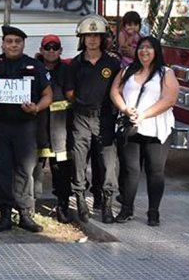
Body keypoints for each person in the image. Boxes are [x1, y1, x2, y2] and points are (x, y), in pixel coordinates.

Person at [0, 25, 52, 233]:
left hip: (24, 127)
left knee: (25, 170)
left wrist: (37, 107)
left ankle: (25, 214)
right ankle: (5, 214)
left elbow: (48, 95)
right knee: (0, 170)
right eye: (9, 41)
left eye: (17, 41)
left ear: (23, 44)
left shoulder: (34, 66)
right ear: (3, 44)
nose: (13, 45)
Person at [110, 36, 179, 226]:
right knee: (130, 170)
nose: (144, 51)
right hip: (131, 128)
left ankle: (153, 212)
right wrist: (125, 109)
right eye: (141, 47)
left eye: (149, 48)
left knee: (155, 171)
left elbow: (169, 99)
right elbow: (115, 91)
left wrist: (144, 115)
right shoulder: (127, 71)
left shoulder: (166, 73)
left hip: (157, 129)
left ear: (156, 51)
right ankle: (126, 209)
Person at [66, 15, 122, 224]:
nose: (91, 40)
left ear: (102, 38)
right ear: (82, 38)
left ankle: (107, 205)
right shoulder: (75, 64)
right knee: (79, 161)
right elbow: (69, 91)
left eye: (96, 36)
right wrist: (82, 104)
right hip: (81, 118)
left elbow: (121, 89)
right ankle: (81, 200)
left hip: (106, 119)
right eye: (87, 36)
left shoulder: (113, 63)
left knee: (109, 164)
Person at [32, 35, 74, 223]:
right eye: (47, 47)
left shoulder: (67, 69)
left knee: (61, 169)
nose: (51, 51)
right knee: (34, 168)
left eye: (54, 47)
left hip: (60, 128)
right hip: (37, 125)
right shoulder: (32, 68)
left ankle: (63, 205)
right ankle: (30, 205)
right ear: (41, 50)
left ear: (61, 50)